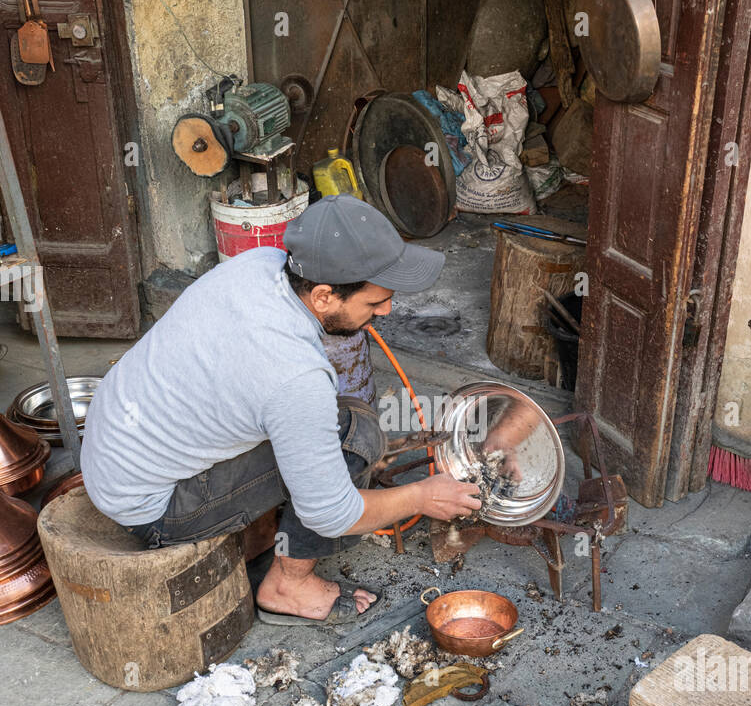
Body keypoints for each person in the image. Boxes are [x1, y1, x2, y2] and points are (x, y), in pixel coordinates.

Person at [81, 194, 481, 625]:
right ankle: (288, 586)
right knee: (357, 436)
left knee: (336, 423)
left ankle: (279, 527)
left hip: (114, 450)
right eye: (373, 303)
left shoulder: (262, 263)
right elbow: (333, 513)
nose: (386, 310)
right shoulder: (295, 378)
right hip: (154, 506)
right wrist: (421, 495)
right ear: (324, 296)